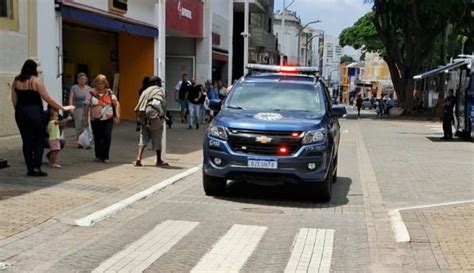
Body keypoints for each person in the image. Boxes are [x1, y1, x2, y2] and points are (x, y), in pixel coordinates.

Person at [11, 59, 75, 176]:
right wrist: (62, 108)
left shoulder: (16, 81)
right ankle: (36, 168)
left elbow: (14, 99)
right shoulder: (36, 81)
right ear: (34, 69)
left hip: (21, 112)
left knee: (27, 140)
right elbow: (47, 98)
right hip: (35, 112)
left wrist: (19, 111)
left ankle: (30, 169)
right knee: (38, 140)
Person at [83, 74, 121, 163]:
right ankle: (98, 155)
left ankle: (105, 156)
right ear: (95, 83)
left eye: (102, 83)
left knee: (107, 136)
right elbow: (86, 106)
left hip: (108, 118)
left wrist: (118, 115)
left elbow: (116, 104)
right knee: (98, 137)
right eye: (98, 83)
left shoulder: (109, 92)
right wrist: (85, 119)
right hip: (95, 119)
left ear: (105, 84)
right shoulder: (91, 92)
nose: (100, 85)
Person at [133, 76, 168, 167]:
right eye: (159, 82)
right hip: (154, 116)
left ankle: (138, 158)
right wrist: (162, 115)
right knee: (157, 136)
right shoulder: (158, 91)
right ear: (156, 83)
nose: (160, 85)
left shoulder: (145, 91)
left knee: (143, 137)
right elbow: (160, 103)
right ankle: (159, 160)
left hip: (143, 116)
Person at [68, 73, 91, 143]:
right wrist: (70, 107)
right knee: (78, 126)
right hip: (77, 109)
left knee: (87, 124)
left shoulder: (89, 88)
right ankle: (80, 141)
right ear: (78, 80)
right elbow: (71, 98)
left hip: (86, 109)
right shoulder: (74, 87)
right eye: (81, 79)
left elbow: (90, 98)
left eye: (84, 79)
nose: (83, 80)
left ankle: (87, 140)